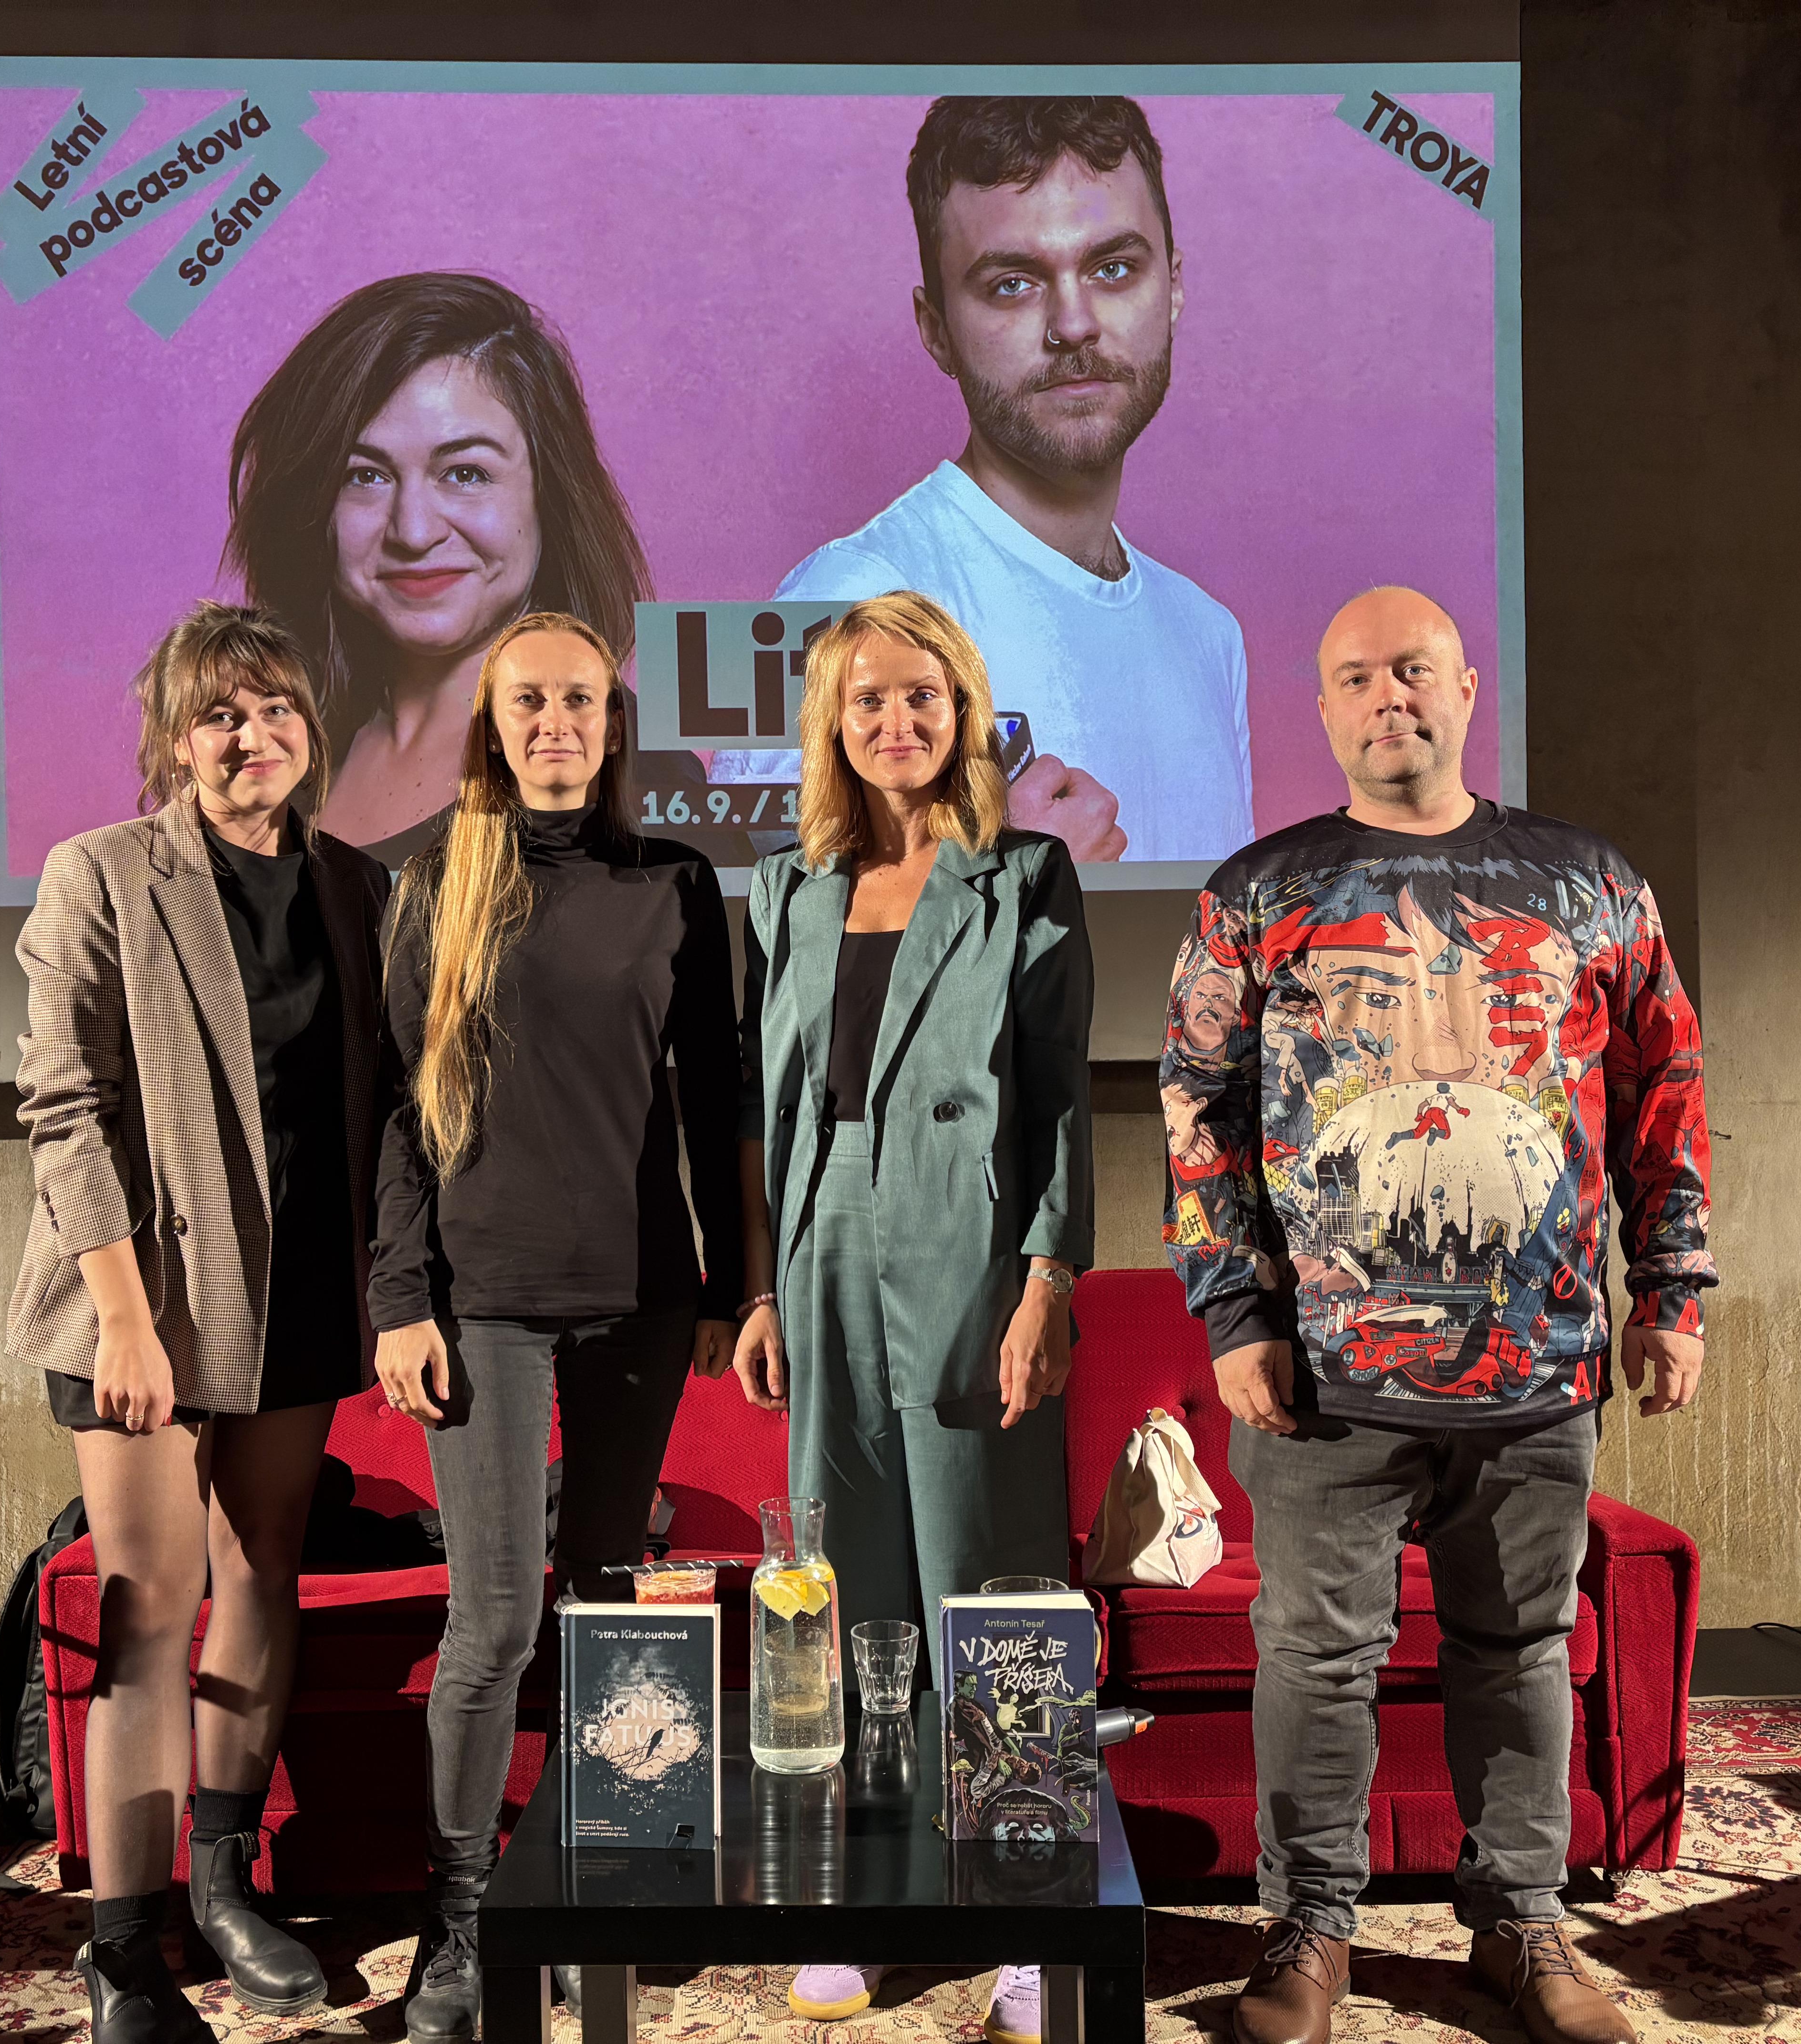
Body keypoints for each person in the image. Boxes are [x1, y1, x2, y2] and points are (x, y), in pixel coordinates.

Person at [1162, 586, 1711, 2044]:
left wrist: (1671, 1291)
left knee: (1520, 1646)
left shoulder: (1587, 883)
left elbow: (1663, 1088)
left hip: (1535, 1365)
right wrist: (1234, 1315)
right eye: (1356, 677)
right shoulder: (1258, 891)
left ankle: (1521, 1920)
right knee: (1315, 1657)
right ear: (1321, 708)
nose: (1387, 696)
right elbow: (1198, 1111)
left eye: (1413, 669)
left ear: (1467, 689)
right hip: (1322, 1378)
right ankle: (1309, 1927)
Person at [8, 602, 389, 2042]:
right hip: (142, 1299)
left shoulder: (356, 885)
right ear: (176, 739)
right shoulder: (102, 873)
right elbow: (65, 1107)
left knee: (264, 1570)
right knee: (149, 1610)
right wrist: (123, 1320)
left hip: (298, 1290)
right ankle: (125, 1949)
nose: (252, 737)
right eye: (220, 715)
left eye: (276, 709)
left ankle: (227, 1887)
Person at [369, 610, 743, 2041]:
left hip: (640, 1299)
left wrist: (730, 1286)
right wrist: (399, 1299)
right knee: (495, 1622)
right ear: (493, 722)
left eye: (578, 700)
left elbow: (714, 1101)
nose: (554, 725)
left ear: (613, 720)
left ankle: (610, 1878)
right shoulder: (432, 882)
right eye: (527, 702)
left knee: (609, 1600)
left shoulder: (674, 883)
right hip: (484, 1307)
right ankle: (458, 1921)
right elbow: (396, 1115)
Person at [732, 590, 1092, 2042]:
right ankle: (862, 1898)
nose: (896, 720)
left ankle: (1020, 1909)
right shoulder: (788, 886)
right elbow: (765, 1113)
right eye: (868, 698)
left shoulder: (1025, 873)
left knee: (988, 1586)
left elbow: (1059, 1097)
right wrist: (761, 1286)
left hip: (973, 1252)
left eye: (922, 695)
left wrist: (1048, 1280)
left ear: (964, 710)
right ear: (832, 720)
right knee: (841, 1589)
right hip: (824, 1240)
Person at [710, 96, 1251, 867]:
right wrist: (997, 884)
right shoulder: (830, 603)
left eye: (1113, 269)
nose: (1074, 323)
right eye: (1012, 283)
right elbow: (751, 925)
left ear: (1172, 288)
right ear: (935, 329)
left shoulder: (1209, 636)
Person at [225, 270, 737, 866]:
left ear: (548, 497)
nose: (414, 531)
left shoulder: (636, 785)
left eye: (466, 474)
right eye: (365, 476)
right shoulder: (276, 744)